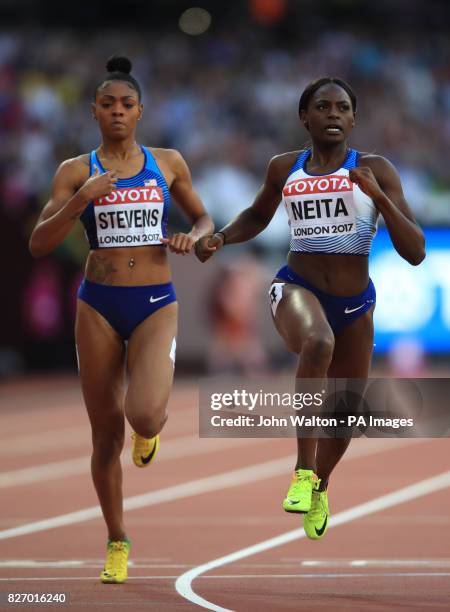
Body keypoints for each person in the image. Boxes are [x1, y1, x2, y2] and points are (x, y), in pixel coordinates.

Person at [195, 77, 425, 540]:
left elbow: (416, 251)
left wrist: (378, 197)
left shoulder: (377, 169)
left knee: (344, 418)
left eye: (343, 108)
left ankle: (319, 485)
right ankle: (301, 471)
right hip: (296, 288)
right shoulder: (285, 167)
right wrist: (222, 236)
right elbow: (259, 215)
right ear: (305, 117)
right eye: (323, 107)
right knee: (317, 343)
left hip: (356, 303)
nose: (334, 114)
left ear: (354, 119)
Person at [29, 55, 213, 583]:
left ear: (140, 111)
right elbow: (39, 242)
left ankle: (150, 433)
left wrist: (193, 237)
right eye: (107, 104)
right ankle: (116, 539)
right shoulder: (75, 171)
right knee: (104, 434)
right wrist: (78, 202)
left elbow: (202, 217)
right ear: (93, 111)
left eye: (126, 105)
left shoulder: (168, 162)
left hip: (155, 302)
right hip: (98, 305)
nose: (116, 112)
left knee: (145, 417)